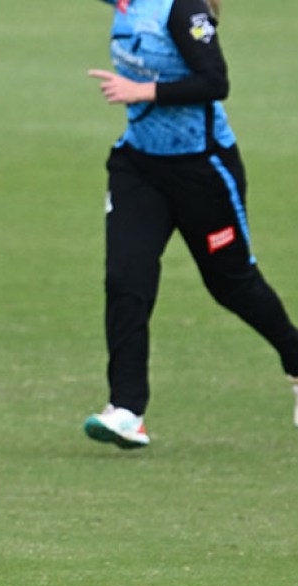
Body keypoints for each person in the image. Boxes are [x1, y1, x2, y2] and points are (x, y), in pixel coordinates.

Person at [82, 0, 298, 449]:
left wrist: (144, 92)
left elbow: (215, 81)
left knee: (232, 284)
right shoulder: (126, 3)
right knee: (126, 279)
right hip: (138, 168)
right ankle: (126, 411)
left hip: (202, 170)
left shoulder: (183, 10)